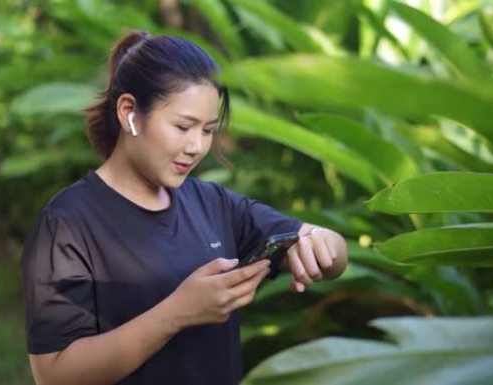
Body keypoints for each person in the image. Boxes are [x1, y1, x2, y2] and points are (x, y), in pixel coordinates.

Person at [20, 30, 348, 385]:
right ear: (129, 112)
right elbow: (54, 374)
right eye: (182, 126)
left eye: (208, 130)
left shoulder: (213, 204)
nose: (196, 146)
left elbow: (333, 253)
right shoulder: (68, 222)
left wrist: (320, 243)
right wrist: (176, 314)